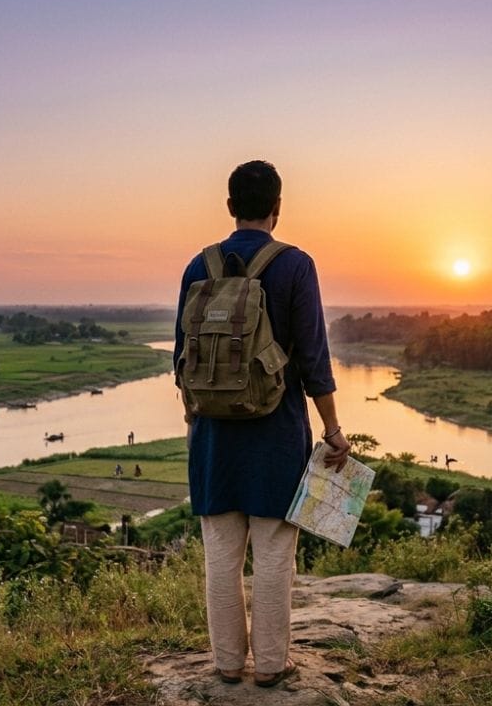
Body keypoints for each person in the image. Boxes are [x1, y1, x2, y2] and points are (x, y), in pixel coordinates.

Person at [174, 159, 350, 688]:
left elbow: (182, 359)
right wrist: (333, 430)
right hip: (276, 432)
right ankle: (271, 665)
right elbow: (314, 359)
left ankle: (228, 663)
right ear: (278, 207)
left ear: (230, 206)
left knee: (220, 556)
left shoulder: (198, 265)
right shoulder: (294, 265)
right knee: (274, 553)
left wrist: (195, 420)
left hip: (213, 438)